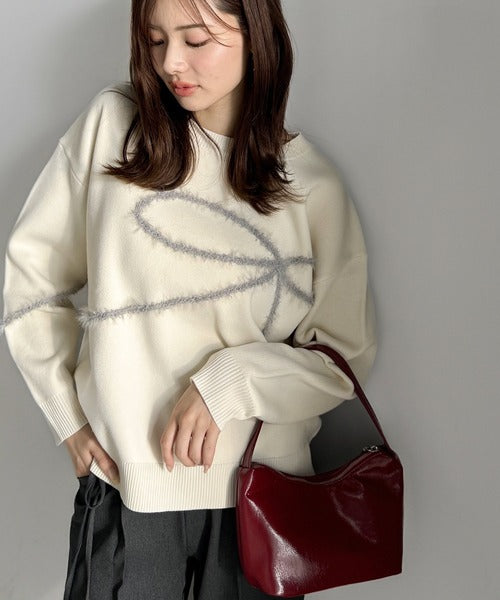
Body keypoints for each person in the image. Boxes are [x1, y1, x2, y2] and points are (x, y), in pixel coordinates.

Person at [0, 0, 377, 598]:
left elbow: (341, 362)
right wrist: (66, 417)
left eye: (196, 40)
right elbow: (31, 280)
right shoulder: (114, 128)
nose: (171, 62)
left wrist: (229, 380)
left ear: (255, 35)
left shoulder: (311, 185)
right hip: (128, 498)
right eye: (155, 41)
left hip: (261, 505)